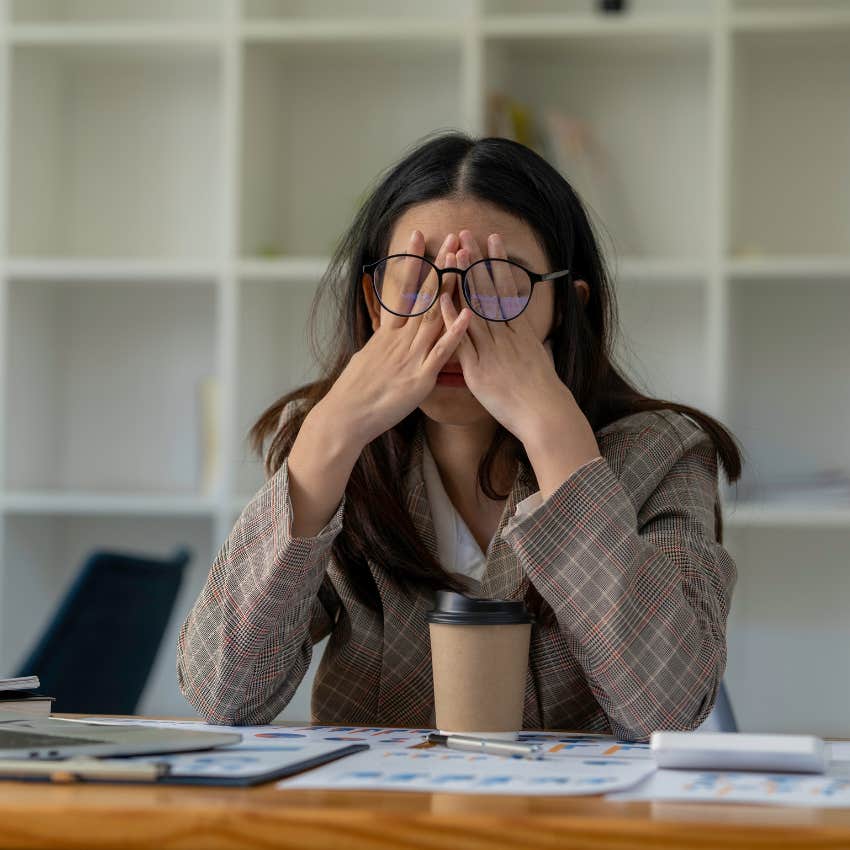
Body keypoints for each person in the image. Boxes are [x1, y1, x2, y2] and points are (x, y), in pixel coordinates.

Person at [177, 132, 741, 741]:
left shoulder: (664, 453)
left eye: (496, 282)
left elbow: (668, 709)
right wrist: (327, 439)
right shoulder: (332, 448)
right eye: (416, 280)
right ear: (373, 302)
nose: (452, 319)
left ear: (566, 307)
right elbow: (221, 693)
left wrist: (559, 443)